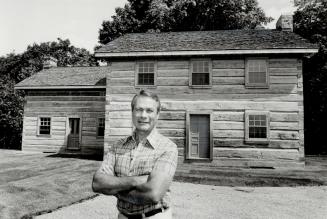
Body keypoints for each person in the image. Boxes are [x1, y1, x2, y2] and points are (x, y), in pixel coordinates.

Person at [92, 90, 178, 219]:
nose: (143, 115)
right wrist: (138, 180)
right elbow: (97, 183)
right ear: (132, 112)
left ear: (158, 114)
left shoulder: (167, 148)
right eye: (139, 110)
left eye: (149, 111)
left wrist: (116, 190)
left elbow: (153, 193)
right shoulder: (117, 146)